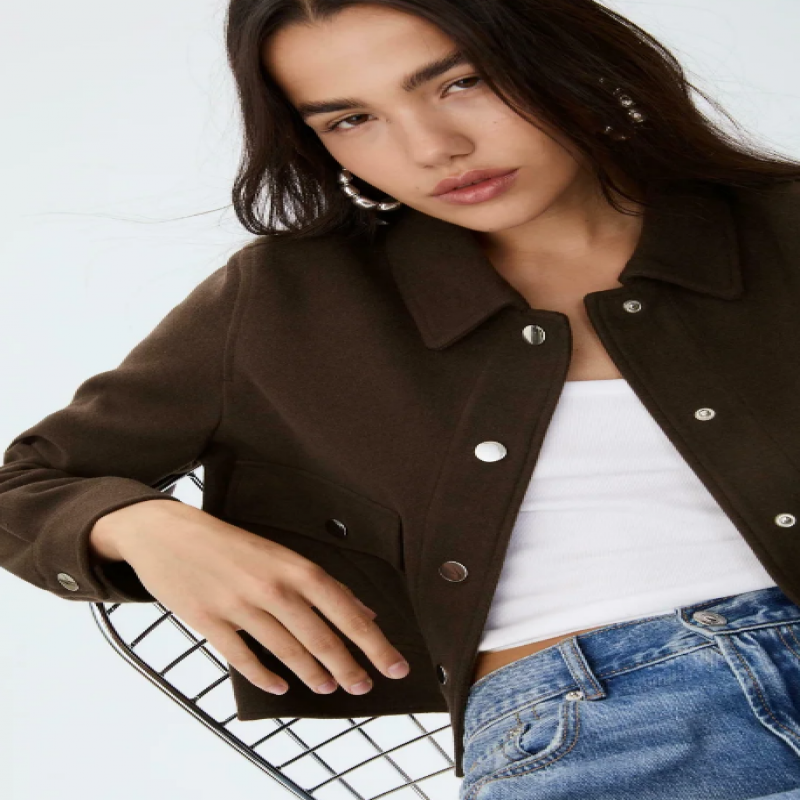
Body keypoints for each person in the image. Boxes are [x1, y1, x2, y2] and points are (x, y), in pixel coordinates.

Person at [3, 0, 800, 795]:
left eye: (461, 83)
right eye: (351, 119)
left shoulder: (781, 223)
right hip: (609, 737)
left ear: (568, 55)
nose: (432, 148)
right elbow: (25, 487)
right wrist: (144, 526)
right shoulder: (292, 299)